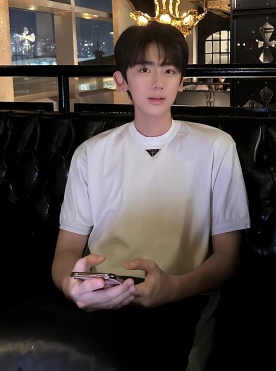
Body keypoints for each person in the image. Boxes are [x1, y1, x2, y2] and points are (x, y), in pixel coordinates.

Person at [51, 21, 250, 371]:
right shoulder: (90, 153)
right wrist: (73, 287)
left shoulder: (217, 147)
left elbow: (227, 257)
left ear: (181, 80)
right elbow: (66, 251)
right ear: (121, 80)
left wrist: (174, 288)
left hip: (186, 298)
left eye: (169, 70)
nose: (158, 82)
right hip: (105, 298)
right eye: (144, 69)